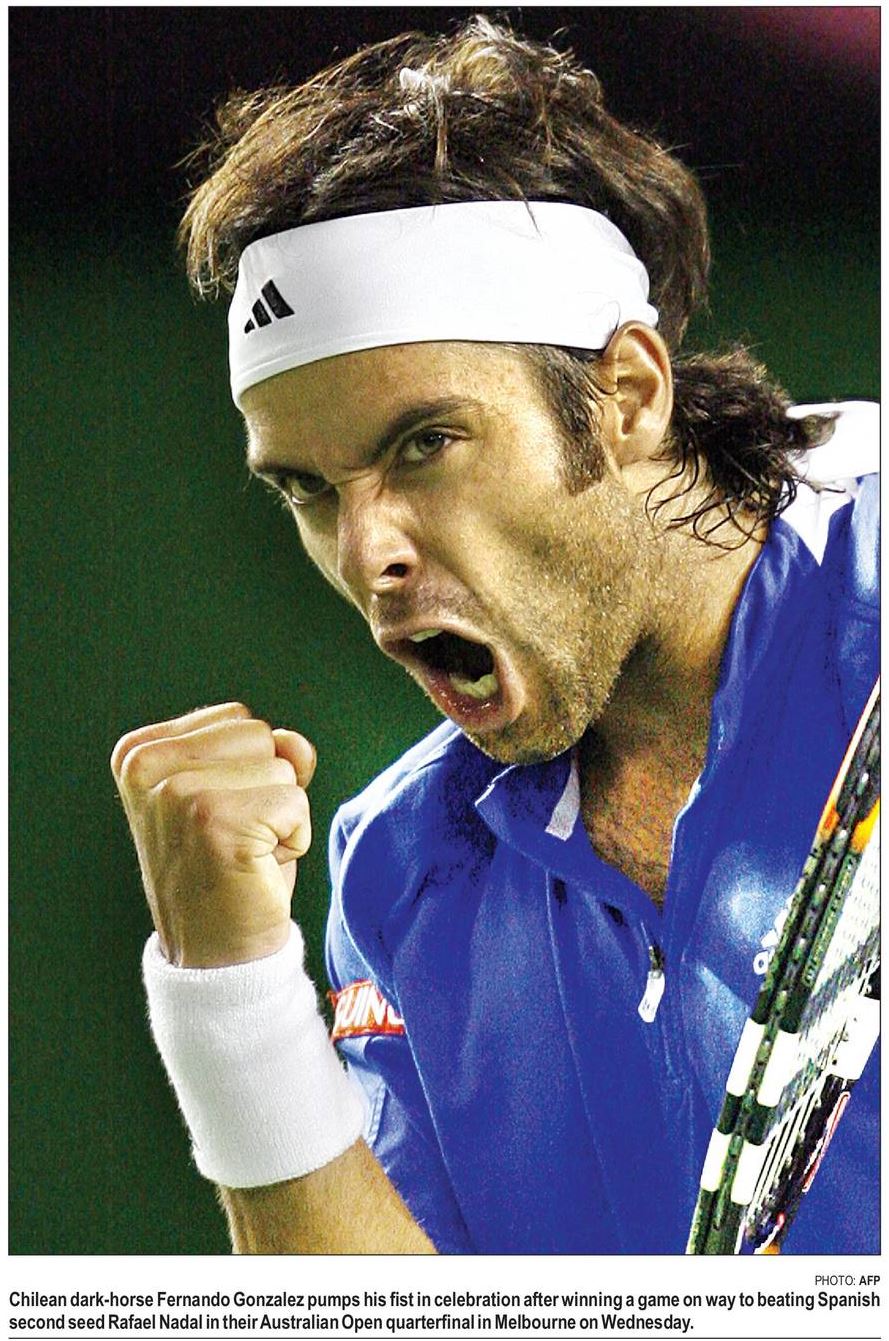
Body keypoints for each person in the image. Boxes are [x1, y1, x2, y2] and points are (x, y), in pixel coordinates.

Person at [110, 19, 878, 1254]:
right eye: (307, 489)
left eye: (426, 444)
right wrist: (230, 994)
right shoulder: (401, 871)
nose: (367, 554)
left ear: (626, 397)